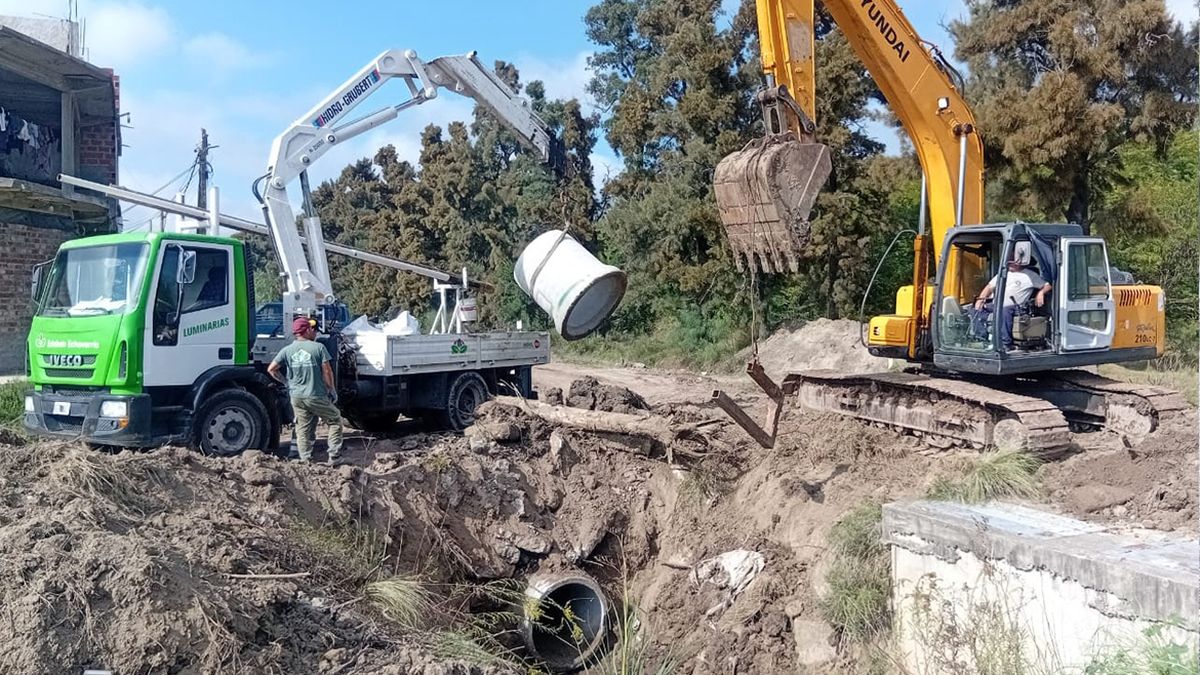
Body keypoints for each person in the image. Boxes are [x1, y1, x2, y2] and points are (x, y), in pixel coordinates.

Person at [267, 317, 345, 464]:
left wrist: (286, 382)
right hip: (315, 394)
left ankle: (305, 460)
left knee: (303, 428)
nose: (314, 332)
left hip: (296, 396)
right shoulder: (318, 348)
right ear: (307, 330)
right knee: (335, 419)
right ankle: (334, 456)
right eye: (312, 329)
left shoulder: (287, 350)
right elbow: (327, 371)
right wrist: (332, 390)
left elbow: (271, 369)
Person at [973, 244, 1052, 352]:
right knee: (976, 309)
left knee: (1005, 310)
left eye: (1012, 259)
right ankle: (981, 339)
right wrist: (981, 299)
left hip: (1017, 307)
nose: (1009, 261)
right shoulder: (1004, 274)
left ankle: (1005, 343)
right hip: (997, 304)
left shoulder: (1030, 275)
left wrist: (1040, 293)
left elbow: (1047, 285)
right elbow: (989, 287)